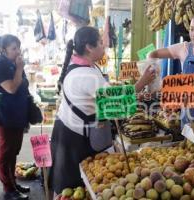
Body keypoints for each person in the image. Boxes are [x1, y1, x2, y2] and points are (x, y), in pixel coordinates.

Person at [49, 26, 155, 195]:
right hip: (74, 139)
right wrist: (141, 83)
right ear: (89, 47)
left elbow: (101, 96)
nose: (104, 45)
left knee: (76, 186)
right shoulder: (85, 74)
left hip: (68, 131)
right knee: (74, 187)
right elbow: (114, 102)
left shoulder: (86, 67)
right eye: (100, 42)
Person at [0, 35, 30, 200]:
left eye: (18, 47)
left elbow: (23, 84)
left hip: (17, 114)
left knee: (13, 151)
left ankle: (13, 183)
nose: (17, 51)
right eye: (14, 48)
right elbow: (12, 88)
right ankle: (8, 189)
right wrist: (20, 68)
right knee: (6, 152)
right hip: (5, 115)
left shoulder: (12, 63)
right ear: (3, 49)